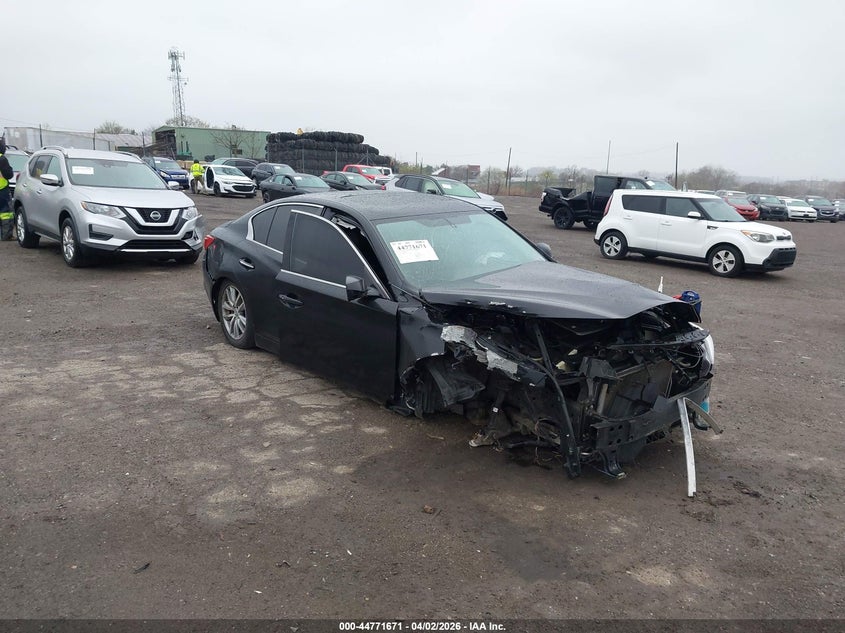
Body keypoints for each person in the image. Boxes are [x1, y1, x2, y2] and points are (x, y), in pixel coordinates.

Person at [0, 138, 15, 240]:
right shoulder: (2, 159)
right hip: (2, 191)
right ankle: (6, 235)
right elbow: (9, 174)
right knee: (6, 213)